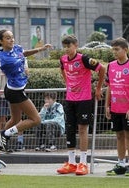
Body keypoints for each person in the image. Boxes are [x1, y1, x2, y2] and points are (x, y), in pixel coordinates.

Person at [56, 34, 105, 175]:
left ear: (76, 45)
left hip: (84, 99)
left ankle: (83, 163)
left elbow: (102, 69)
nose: (66, 49)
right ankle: (71, 163)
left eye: (69, 46)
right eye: (64, 46)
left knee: (83, 129)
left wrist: (98, 88)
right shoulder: (63, 59)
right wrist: (68, 83)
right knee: (70, 129)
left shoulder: (84, 59)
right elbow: (62, 69)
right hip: (70, 99)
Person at [104, 37, 129, 176]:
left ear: (125, 50)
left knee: (128, 137)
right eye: (113, 49)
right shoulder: (111, 65)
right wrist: (107, 105)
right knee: (119, 136)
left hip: (127, 110)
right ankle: (121, 164)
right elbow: (109, 87)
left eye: (117, 49)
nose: (114, 52)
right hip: (115, 108)